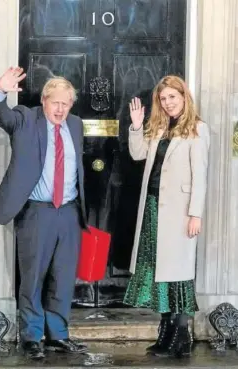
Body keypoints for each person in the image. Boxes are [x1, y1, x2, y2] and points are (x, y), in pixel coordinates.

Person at [0, 67, 88, 359]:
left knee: (63, 276)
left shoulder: (76, 125)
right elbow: (0, 115)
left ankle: (58, 334)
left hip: (69, 213)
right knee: (32, 277)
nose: (61, 109)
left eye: (66, 104)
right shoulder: (24, 119)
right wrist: (0, 92)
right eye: (56, 102)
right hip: (36, 212)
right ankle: (31, 336)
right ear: (44, 100)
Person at [123, 75, 210, 358]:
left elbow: (200, 176)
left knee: (178, 275)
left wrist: (195, 214)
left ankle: (180, 337)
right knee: (159, 272)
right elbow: (137, 154)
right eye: (163, 99)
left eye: (173, 97)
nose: (168, 103)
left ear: (184, 97)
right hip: (152, 208)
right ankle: (165, 334)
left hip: (180, 213)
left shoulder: (197, 129)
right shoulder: (159, 128)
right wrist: (136, 125)